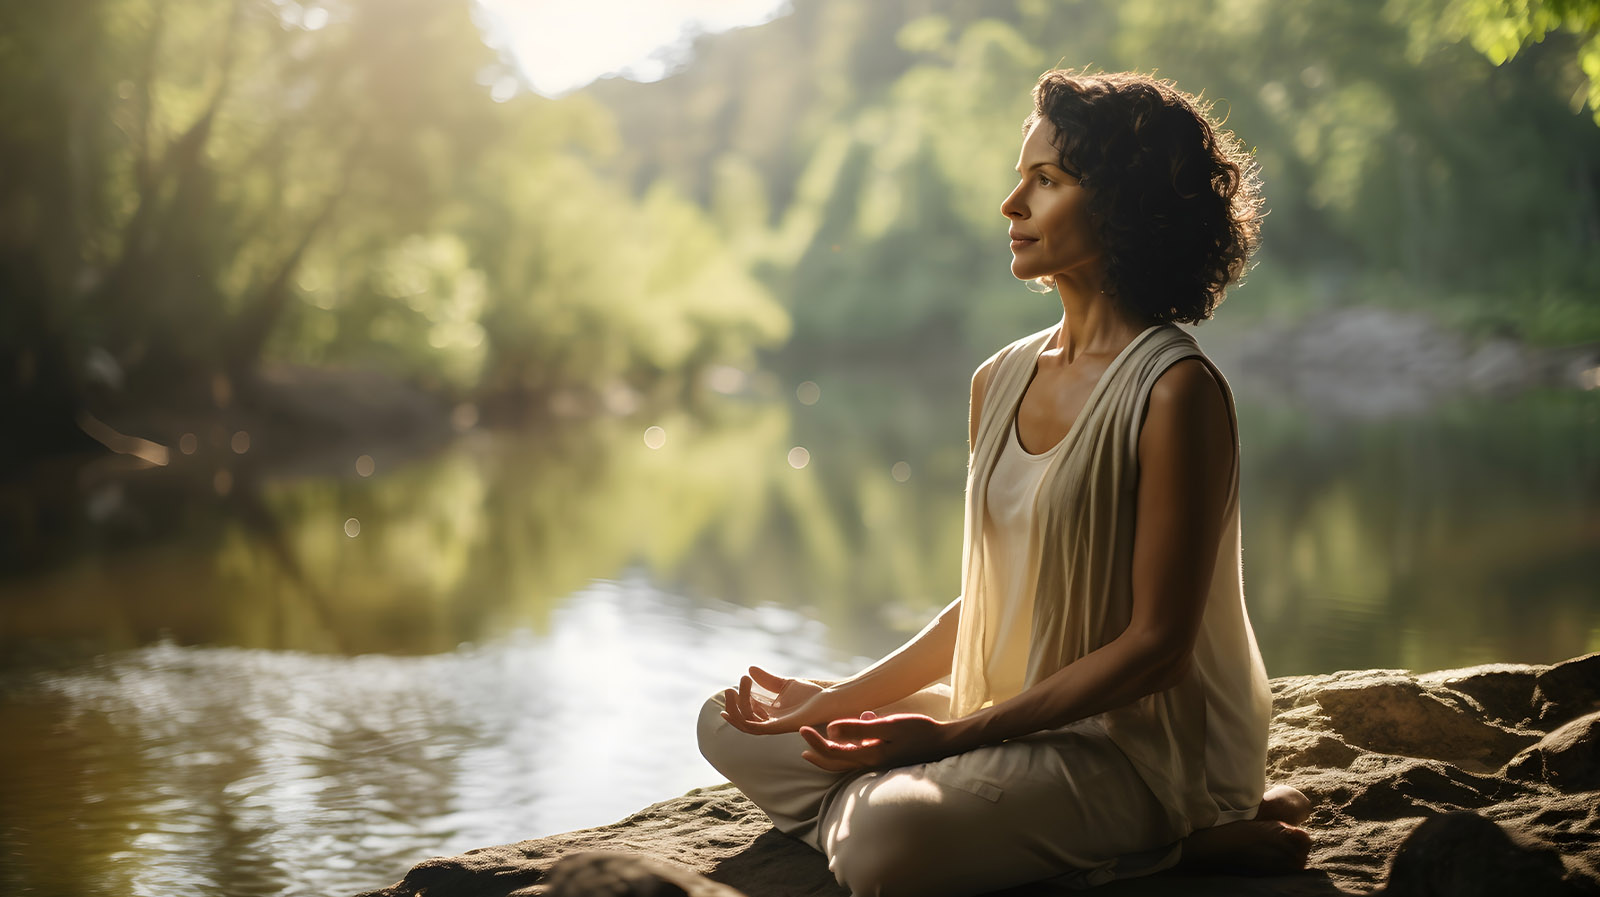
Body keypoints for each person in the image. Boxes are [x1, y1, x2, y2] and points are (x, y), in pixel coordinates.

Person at [697, 69, 1312, 897]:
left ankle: (1177, 841)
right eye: (1021, 175)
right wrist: (839, 699)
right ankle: (1016, 842)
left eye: (1047, 180)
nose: (1011, 204)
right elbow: (981, 601)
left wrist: (943, 743)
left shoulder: (1176, 391)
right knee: (728, 725)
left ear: (1127, 209)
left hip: (1137, 751)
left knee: (887, 841)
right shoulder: (999, 377)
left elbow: (1157, 649)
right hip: (1009, 713)